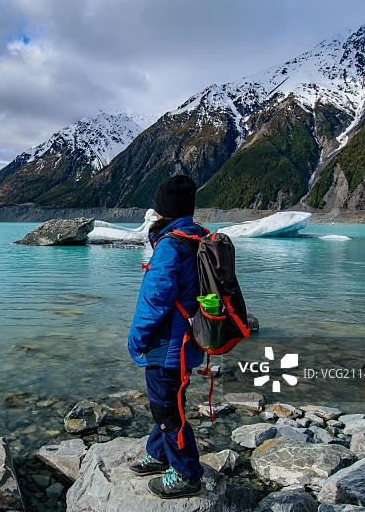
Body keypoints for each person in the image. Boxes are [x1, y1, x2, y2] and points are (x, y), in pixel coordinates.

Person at [127, 174, 207, 499]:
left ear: (163, 211)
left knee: (165, 409)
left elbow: (154, 300)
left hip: (166, 346)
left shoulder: (170, 246)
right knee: (171, 401)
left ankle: (187, 474)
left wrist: (136, 340)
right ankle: (160, 454)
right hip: (188, 342)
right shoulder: (195, 238)